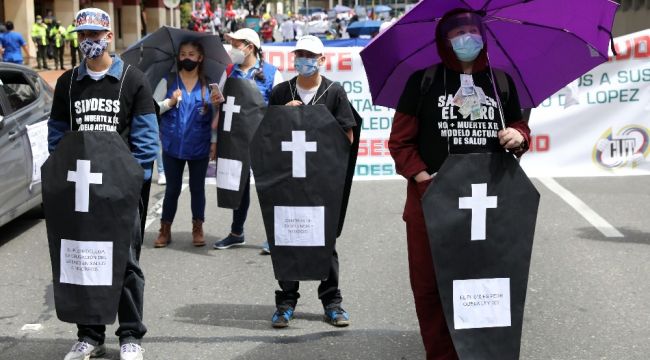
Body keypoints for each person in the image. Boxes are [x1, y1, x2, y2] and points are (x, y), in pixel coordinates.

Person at [387, 10, 531, 360]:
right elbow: (400, 143)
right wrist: (424, 180)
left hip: (490, 205)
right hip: (431, 203)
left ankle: (484, 350)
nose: (468, 38)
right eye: (459, 32)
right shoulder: (422, 81)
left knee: (487, 282)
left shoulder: (502, 82)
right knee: (430, 286)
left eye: (473, 31)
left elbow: (521, 130)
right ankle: (441, 353)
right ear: (443, 39)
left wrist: (518, 135)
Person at [47, 8, 158, 360]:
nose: (88, 42)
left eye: (95, 35)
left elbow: (146, 139)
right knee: (83, 261)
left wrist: (129, 183)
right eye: (82, 36)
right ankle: (90, 335)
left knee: (125, 264)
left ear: (109, 36)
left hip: (119, 193)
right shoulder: (67, 83)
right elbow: (57, 136)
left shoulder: (133, 80)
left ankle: (130, 336)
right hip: (81, 193)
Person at [265, 35, 356, 328]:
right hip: (287, 180)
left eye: (310, 56)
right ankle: (286, 302)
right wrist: (284, 116)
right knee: (287, 238)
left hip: (322, 181)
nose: (304, 60)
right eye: (300, 54)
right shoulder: (281, 92)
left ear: (321, 60)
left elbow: (348, 137)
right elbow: (267, 137)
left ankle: (332, 302)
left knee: (324, 240)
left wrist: (314, 119)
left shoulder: (334, 92)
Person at [211, 28, 283, 253]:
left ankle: (275, 237)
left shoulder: (272, 73)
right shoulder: (229, 71)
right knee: (237, 186)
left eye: (236, 44)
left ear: (250, 47)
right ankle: (236, 232)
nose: (232, 49)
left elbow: (280, 108)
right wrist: (215, 100)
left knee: (269, 188)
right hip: (234, 139)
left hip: (264, 140)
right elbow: (220, 104)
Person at [153, 40, 219, 248]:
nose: (187, 58)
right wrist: (170, 102)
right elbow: (152, 109)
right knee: (172, 189)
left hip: (199, 146)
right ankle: (165, 229)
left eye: (191, 54)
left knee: (197, 188)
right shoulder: (168, 81)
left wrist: (215, 142)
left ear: (200, 58)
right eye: (183, 54)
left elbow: (216, 118)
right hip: (172, 146)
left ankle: (197, 227)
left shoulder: (210, 85)